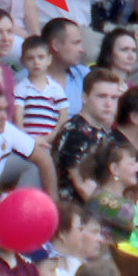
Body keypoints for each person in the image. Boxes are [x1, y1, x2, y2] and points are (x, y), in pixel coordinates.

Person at [54, 68, 125, 202]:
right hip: (78, 213)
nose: (109, 104)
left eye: (114, 98)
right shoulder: (75, 132)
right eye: (102, 96)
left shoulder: (102, 132)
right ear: (85, 98)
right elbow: (83, 188)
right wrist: (123, 216)